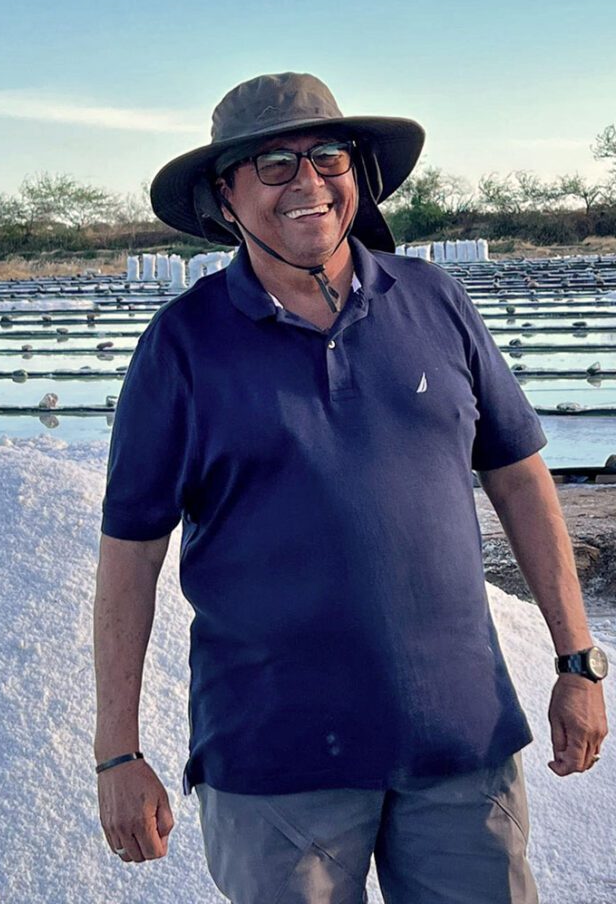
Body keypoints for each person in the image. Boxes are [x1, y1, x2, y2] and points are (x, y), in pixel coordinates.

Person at [93, 72, 609, 903]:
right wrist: (117, 751)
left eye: (326, 154)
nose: (307, 181)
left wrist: (578, 660)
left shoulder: (436, 301)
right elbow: (129, 558)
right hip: (276, 769)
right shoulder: (181, 348)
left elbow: (520, 480)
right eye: (271, 164)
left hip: (460, 747)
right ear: (225, 198)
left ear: (358, 173)